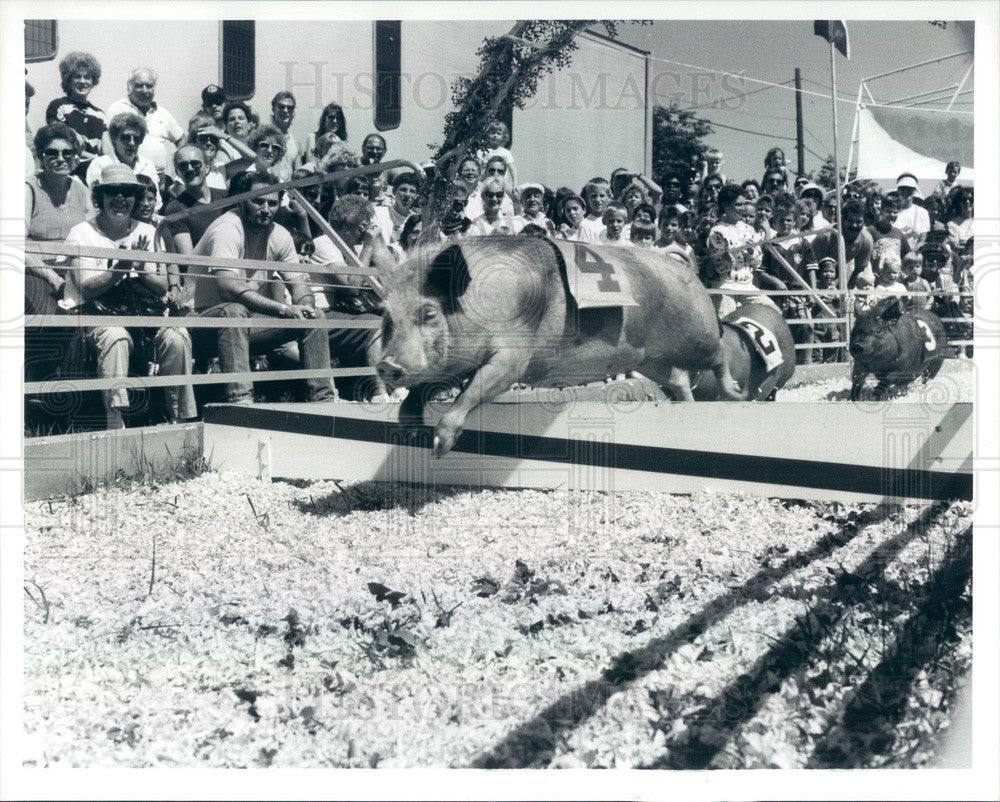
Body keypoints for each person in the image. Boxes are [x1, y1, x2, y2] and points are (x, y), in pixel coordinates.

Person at [63, 164, 196, 428]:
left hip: (143, 314)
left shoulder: (147, 231)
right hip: (96, 317)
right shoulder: (81, 233)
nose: (121, 198)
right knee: (116, 336)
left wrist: (139, 269)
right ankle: (116, 420)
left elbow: (161, 288)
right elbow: (86, 289)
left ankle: (180, 420)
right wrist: (120, 268)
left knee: (176, 335)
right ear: (99, 198)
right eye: (113, 192)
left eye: (128, 192)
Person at [190, 170, 335, 404]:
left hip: (243, 325)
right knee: (233, 311)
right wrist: (285, 309)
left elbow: (299, 285)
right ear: (243, 201)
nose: (265, 208)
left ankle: (324, 401)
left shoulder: (280, 234)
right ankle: (241, 401)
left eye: (272, 203)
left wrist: (305, 305)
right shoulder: (228, 227)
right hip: (198, 323)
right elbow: (228, 289)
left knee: (314, 315)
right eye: (257, 201)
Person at [24, 124, 92, 383]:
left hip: (72, 273)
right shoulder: (29, 188)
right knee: (54, 316)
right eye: (52, 152)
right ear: (41, 157)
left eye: (67, 152)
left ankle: (78, 391)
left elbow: (92, 230)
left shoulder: (79, 187)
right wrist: (54, 278)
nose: (60, 158)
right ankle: (44, 384)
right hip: (35, 270)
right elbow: (17, 244)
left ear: (76, 157)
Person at [310, 195, 393, 398]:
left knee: (394, 318)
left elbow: (393, 279)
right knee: (375, 325)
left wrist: (378, 243)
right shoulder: (324, 244)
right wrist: (367, 247)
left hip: (341, 312)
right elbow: (351, 286)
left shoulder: (350, 247)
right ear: (347, 226)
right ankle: (381, 393)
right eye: (362, 226)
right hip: (320, 313)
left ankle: (396, 386)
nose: (364, 232)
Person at [706, 186, 775, 316]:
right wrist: (733, 252)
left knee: (774, 313)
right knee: (727, 324)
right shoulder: (717, 231)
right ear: (726, 205)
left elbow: (757, 262)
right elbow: (722, 267)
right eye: (738, 205)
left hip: (748, 287)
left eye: (744, 204)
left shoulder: (748, 229)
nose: (742, 209)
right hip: (725, 288)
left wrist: (750, 252)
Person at [105, 68, 184, 177]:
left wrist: (173, 166)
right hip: (129, 175)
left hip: (160, 178)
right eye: (139, 85)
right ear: (130, 86)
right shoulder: (118, 108)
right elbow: (108, 142)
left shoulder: (162, 112)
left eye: (149, 86)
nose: (144, 91)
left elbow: (182, 139)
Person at [45, 52, 107, 179]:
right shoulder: (58, 106)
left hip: (95, 173)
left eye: (87, 77)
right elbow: (63, 143)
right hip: (69, 172)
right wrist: (95, 159)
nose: (82, 81)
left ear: (93, 81)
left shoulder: (100, 114)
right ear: (68, 80)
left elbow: (106, 149)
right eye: (77, 77)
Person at [87, 112, 162, 209]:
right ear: (114, 138)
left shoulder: (148, 165)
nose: (132, 143)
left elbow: (156, 203)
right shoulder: (100, 164)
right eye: (126, 138)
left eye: (137, 139)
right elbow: (95, 203)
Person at [867, 192, 911, 269]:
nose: (892, 215)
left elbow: (909, 256)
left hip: (894, 277)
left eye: (895, 212)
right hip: (876, 278)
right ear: (881, 211)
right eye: (888, 212)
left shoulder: (899, 233)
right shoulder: (870, 231)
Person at [893, 173, 930, 251]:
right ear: (898, 190)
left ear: (915, 191)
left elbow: (921, 241)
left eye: (909, 188)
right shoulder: (890, 211)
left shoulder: (923, 213)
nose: (906, 191)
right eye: (902, 188)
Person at [269, 91, 300, 180]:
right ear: (273, 109)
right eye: (281, 107)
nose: (285, 110)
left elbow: (299, 174)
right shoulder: (263, 136)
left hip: (287, 192)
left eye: (290, 108)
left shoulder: (296, 143)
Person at [578, 178, 611, 243]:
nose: (598, 200)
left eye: (602, 196)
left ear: (609, 197)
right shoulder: (586, 225)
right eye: (593, 196)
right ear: (587, 198)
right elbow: (583, 251)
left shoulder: (614, 221)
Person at [945, 187, 973, 253]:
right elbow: (955, 247)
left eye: (971, 199)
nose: (967, 202)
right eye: (964, 199)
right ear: (959, 202)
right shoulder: (951, 224)